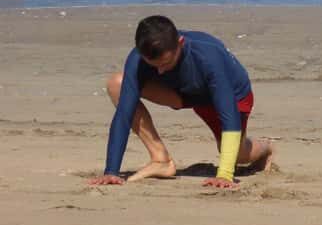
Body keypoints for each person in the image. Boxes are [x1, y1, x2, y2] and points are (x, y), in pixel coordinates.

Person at [87, 15, 273, 188]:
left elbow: (229, 114)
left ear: (180, 43)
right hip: (184, 92)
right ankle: (161, 160)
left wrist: (224, 174)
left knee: (238, 155)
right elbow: (123, 114)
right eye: (154, 66)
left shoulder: (208, 57)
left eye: (166, 64)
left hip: (232, 96)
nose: (159, 72)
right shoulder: (137, 58)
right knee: (117, 84)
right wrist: (111, 171)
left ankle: (266, 148)